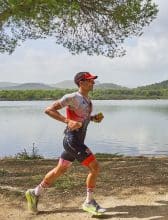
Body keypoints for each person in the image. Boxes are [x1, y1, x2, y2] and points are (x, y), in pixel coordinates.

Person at [25, 72, 106, 215]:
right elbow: (49, 110)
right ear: (81, 82)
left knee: (60, 170)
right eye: (90, 80)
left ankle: (35, 192)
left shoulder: (87, 100)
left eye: (93, 81)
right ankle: (89, 202)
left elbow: (81, 118)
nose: (93, 83)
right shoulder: (72, 97)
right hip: (72, 140)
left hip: (76, 141)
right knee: (95, 167)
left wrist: (93, 118)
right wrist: (67, 121)